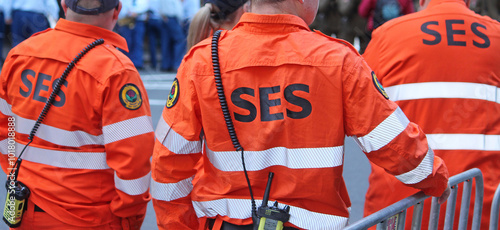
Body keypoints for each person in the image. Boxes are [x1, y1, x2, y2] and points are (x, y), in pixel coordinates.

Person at [150, 0, 451, 228]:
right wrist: (435, 179)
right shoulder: (337, 60)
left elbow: (168, 166)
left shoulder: (203, 61)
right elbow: (397, 147)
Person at [0, 0, 154, 229]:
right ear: (117, 11)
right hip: (88, 216)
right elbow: (133, 164)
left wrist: (18, 174)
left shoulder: (19, 55)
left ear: (64, 5)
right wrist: (129, 218)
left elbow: (6, 132)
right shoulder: (116, 71)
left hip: (24, 207)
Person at [362, 0, 500, 229]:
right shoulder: (496, 37)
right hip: (481, 209)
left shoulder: (389, 36)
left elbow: (358, 113)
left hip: (399, 208)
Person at [117, 0, 149, 69]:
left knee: (138, 42)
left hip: (138, 20)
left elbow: (145, 6)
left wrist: (135, 12)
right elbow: (121, 6)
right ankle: (126, 62)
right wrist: (128, 13)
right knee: (127, 42)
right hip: (126, 20)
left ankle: (137, 63)